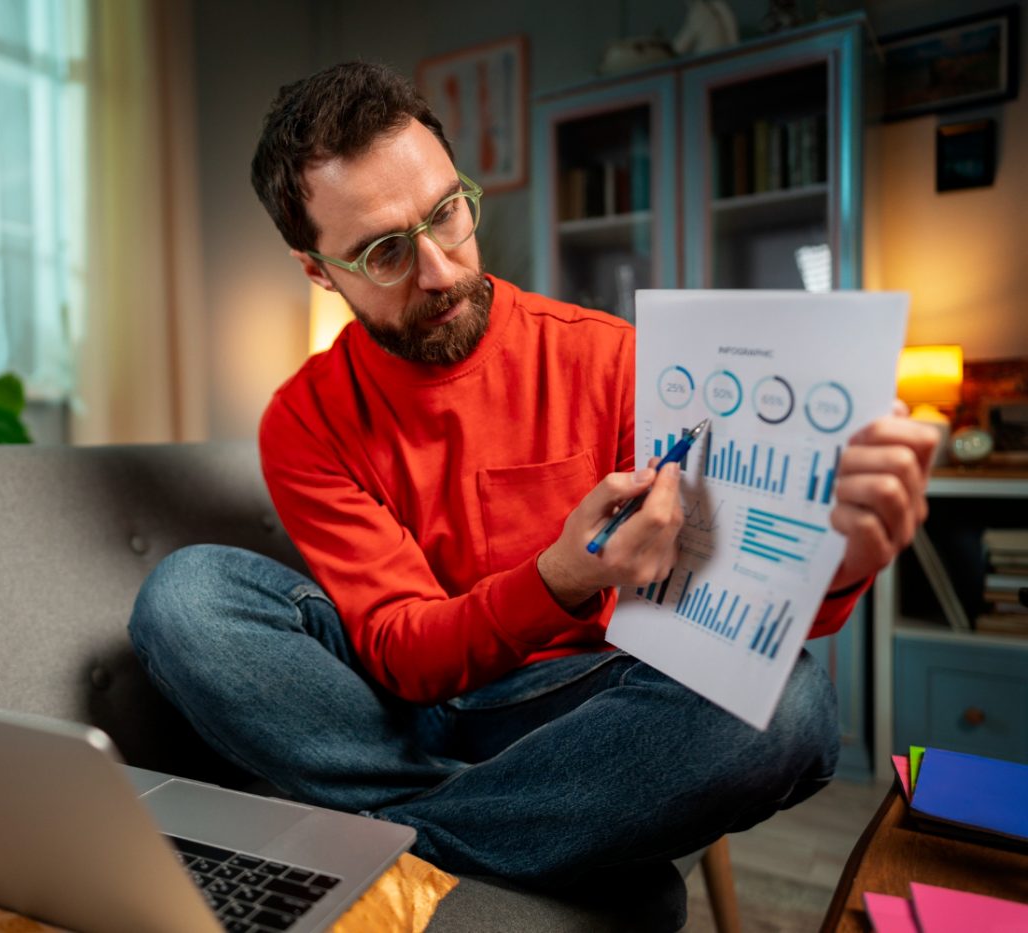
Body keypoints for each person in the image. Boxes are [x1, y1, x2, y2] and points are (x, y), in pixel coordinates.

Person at [128, 62, 937, 890]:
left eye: (447, 215)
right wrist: (558, 575)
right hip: (395, 708)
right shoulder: (305, 418)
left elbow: (724, 611)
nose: (439, 270)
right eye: (383, 253)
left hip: (581, 703)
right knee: (186, 596)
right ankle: (558, 846)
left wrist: (842, 550)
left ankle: (413, 841)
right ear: (317, 271)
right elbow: (405, 653)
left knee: (791, 704)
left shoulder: (607, 355)